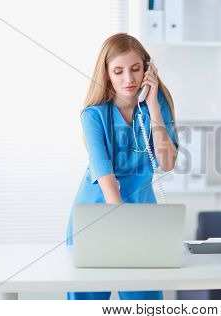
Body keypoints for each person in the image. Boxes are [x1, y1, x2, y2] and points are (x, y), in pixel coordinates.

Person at [65, 33, 179, 300]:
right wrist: (123, 226)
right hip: (96, 217)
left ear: (148, 70)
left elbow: (167, 162)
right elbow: (105, 175)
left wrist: (153, 106)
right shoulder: (94, 115)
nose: (129, 79)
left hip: (141, 216)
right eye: (118, 71)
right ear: (106, 74)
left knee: (145, 303)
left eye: (136, 69)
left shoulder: (156, 106)